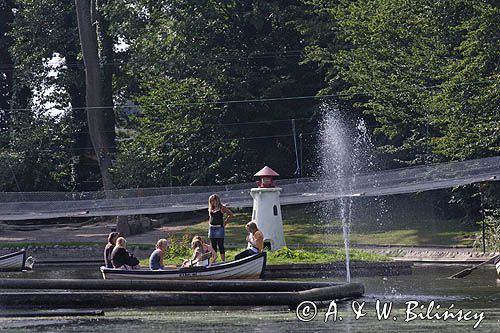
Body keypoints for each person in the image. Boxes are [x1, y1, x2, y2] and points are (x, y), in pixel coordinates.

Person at [207, 194, 233, 262]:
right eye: (211, 201)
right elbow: (210, 217)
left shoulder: (222, 207)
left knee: (220, 245)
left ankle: (223, 261)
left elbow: (230, 214)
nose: (212, 202)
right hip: (212, 228)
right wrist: (209, 224)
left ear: (217, 200)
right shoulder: (211, 208)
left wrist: (225, 222)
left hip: (219, 228)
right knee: (213, 246)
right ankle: (214, 261)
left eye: (213, 200)